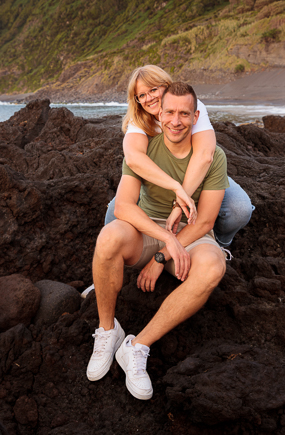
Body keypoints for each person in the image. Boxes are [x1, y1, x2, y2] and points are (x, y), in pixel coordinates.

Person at [87, 82, 229, 400]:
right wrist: (165, 238)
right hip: (149, 229)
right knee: (109, 236)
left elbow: (205, 221)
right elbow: (123, 207)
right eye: (169, 113)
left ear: (196, 116)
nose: (175, 121)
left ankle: (136, 347)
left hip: (192, 234)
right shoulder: (143, 151)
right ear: (158, 113)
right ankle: (108, 331)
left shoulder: (212, 156)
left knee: (213, 267)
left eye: (183, 114)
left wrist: (161, 257)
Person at [105, 64, 253, 245]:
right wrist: (176, 188)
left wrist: (178, 204)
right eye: (141, 95)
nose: (149, 98)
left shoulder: (191, 107)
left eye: (153, 90)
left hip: (199, 172)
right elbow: (134, 159)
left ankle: (221, 243)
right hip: (157, 177)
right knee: (115, 211)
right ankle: (123, 254)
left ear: (166, 85)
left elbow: (205, 155)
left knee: (239, 209)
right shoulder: (139, 119)